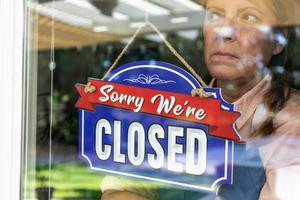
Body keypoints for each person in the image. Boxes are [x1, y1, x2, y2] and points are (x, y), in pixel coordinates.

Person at [100, 0, 300, 199]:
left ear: (279, 39)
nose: (225, 32)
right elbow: (122, 188)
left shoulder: (292, 120)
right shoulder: (173, 105)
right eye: (215, 15)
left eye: (248, 17)